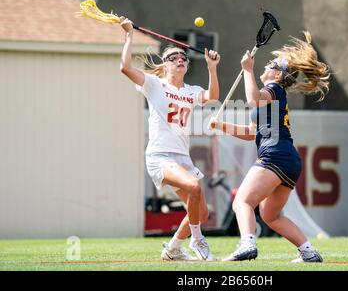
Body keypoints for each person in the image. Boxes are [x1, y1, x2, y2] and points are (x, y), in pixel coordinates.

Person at [209, 32, 329, 262]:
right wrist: (221, 125)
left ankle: (246, 244)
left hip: (274, 156)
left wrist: (247, 69)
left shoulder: (274, 87)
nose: (266, 65)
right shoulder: (272, 93)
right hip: (288, 159)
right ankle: (308, 252)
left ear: (277, 74)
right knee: (270, 215)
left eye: (271, 64)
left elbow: (253, 98)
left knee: (242, 201)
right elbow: (252, 132)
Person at [120, 16, 220, 261]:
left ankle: (173, 249)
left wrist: (212, 68)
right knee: (195, 187)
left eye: (183, 58)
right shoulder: (154, 85)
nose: (180, 61)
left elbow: (214, 96)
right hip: (160, 156)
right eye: (173, 58)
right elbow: (125, 67)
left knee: (201, 212)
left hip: (181, 158)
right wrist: (129, 35)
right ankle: (197, 241)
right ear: (164, 65)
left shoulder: (191, 91)